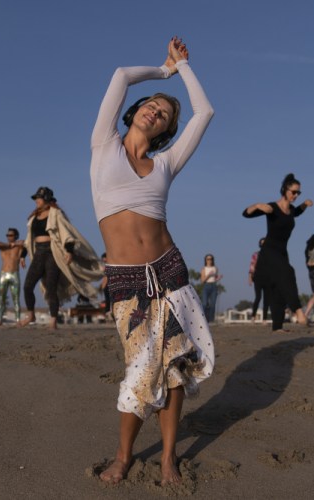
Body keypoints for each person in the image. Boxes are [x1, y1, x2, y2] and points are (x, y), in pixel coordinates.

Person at [91, 37, 215, 485]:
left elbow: (205, 114)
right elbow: (122, 76)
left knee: (176, 369)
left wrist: (186, 71)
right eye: (151, 106)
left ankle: (167, 459)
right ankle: (123, 457)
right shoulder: (103, 145)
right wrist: (165, 70)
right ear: (135, 111)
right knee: (141, 368)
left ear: (164, 131)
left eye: (163, 114)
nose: (155, 111)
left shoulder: (165, 163)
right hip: (126, 281)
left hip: (170, 270)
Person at [21, 186, 104, 330]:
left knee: (51, 288)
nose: (36, 201)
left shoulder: (56, 214)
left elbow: (67, 234)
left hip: (53, 253)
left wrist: (69, 251)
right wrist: (22, 255)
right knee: (28, 286)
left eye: (38, 198)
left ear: (46, 199)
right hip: (38, 253)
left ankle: (53, 320)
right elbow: (28, 239)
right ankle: (31, 314)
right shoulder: (33, 217)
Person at [243, 173, 312, 332]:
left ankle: (277, 326)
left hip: (282, 252)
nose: (296, 195)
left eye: (298, 193)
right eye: (293, 192)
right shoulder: (272, 208)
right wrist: (258, 205)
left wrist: (305, 204)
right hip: (268, 251)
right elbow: (246, 214)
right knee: (289, 272)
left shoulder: (292, 209)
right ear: (284, 190)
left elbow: (297, 213)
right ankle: (298, 311)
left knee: (278, 288)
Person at [0, 228, 24, 325]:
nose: (8, 237)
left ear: (15, 236)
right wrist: (8, 245)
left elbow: (26, 242)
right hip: (4, 273)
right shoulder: (3, 246)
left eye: (11, 235)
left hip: (14, 273)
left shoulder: (18, 246)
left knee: (16, 298)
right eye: (7, 235)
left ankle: (18, 319)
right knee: (1, 298)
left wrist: (15, 244)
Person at [248, 238, 269, 322]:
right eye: (262, 243)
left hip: (268, 278)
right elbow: (252, 266)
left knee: (267, 299)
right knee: (258, 297)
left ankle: (264, 318)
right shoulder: (256, 254)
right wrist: (250, 277)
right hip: (258, 278)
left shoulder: (272, 255)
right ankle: (253, 316)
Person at [200, 254, 222, 323]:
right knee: (205, 303)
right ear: (205, 260)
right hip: (206, 286)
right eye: (208, 259)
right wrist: (208, 275)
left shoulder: (215, 268)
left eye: (211, 259)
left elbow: (215, 279)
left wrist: (218, 278)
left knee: (213, 304)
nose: (210, 260)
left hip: (214, 286)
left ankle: (211, 320)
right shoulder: (204, 269)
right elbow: (202, 280)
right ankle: (204, 319)